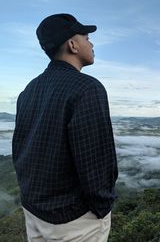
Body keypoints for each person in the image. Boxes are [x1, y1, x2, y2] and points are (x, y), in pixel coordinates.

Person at [12, 13, 118, 241]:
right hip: (73, 221)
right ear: (72, 45)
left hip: (34, 210)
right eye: (86, 37)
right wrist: (102, 206)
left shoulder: (29, 89)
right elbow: (97, 161)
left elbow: (20, 147)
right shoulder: (87, 88)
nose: (91, 43)